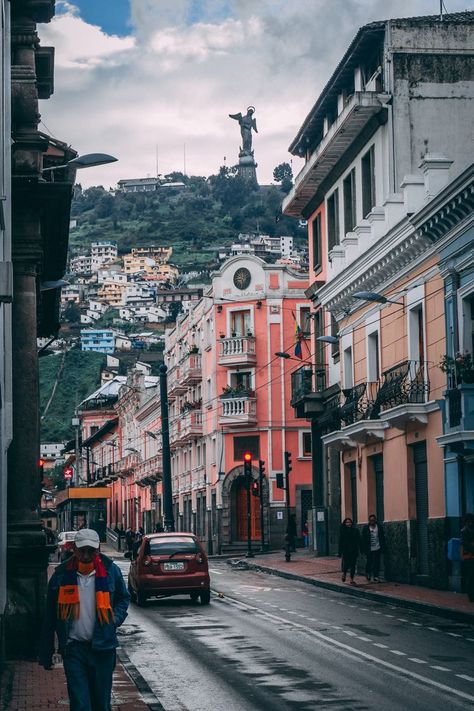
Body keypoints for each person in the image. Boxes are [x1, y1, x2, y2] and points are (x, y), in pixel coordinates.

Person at [39, 528, 130, 711]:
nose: (86, 555)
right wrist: (46, 652)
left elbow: (123, 598)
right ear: (74, 549)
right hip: (74, 650)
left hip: (103, 649)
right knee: (80, 705)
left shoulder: (111, 571)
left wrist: (115, 619)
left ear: (98, 549)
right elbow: (49, 616)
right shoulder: (61, 575)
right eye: (82, 550)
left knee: (101, 705)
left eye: (91, 550)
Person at [361, 514, 386, 582]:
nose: (372, 521)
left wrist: (383, 547)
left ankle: (376, 576)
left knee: (377, 562)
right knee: (369, 562)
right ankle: (368, 573)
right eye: (371, 520)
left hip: (377, 547)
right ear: (369, 520)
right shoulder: (366, 528)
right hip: (369, 548)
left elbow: (382, 537)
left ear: (375, 520)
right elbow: (363, 539)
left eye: (374, 520)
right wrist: (363, 548)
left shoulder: (379, 527)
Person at [338, 518, 360, 585]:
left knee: (353, 565)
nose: (348, 523)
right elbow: (340, 542)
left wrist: (359, 549)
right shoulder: (342, 531)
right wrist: (340, 551)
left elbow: (358, 540)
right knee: (346, 564)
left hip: (354, 550)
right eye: (347, 522)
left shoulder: (355, 530)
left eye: (350, 522)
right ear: (345, 523)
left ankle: (351, 579)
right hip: (346, 550)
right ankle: (344, 573)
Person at [461, 513, 474, 603]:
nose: (470, 523)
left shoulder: (465, 530)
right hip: (469, 557)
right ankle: (471, 595)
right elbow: (466, 545)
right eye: (469, 521)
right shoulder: (464, 531)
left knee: (470, 576)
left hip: (469, 556)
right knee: (470, 576)